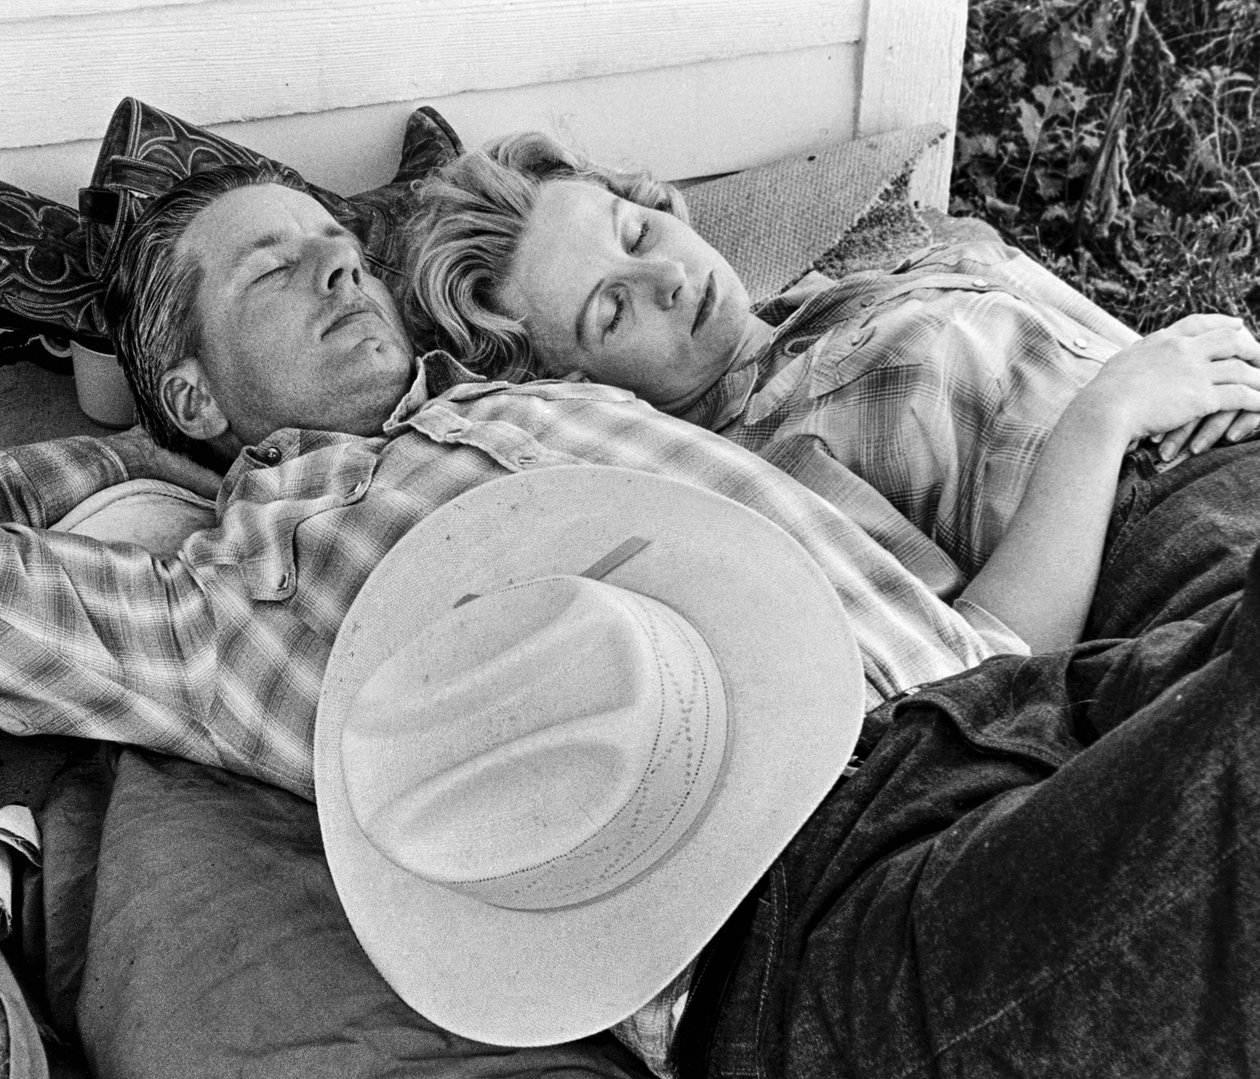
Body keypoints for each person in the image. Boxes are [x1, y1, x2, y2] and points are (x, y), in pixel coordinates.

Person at [2, 161, 1260, 1076]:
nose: (339, 265)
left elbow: (611, 258)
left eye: (338, 242)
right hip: (815, 897)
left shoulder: (536, 389)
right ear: (189, 392)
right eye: (275, 270)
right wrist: (112, 457)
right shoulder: (226, 594)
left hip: (1010, 705)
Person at [403, 132, 1260, 650]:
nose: (666, 278)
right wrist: (1106, 418)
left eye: (635, 233)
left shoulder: (854, 284)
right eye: (612, 310)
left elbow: (1136, 353)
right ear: (580, 387)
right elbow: (991, 663)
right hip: (1172, 555)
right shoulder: (767, 468)